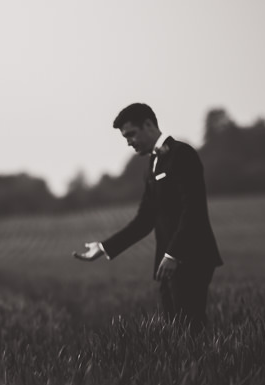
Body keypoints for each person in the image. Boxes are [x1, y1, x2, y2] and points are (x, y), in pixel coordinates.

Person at [74, 102, 222, 331]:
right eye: (125, 137)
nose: (129, 142)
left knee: (192, 333)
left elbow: (193, 209)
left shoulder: (182, 154)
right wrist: (104, 247)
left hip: (191, 258)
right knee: (175, 335)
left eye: (131, 134)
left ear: (149, 125)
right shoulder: (152, 163)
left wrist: (174, 253)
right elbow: (144, 220)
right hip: (168, 263)